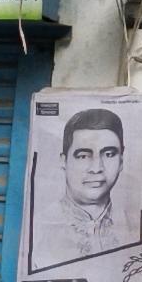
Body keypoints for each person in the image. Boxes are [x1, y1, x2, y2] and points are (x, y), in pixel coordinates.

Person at [35, 106, 131, 268]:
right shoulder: (39, 228)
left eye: (109, 154)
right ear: (63, 161)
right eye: (83, 156)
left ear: (121, 161)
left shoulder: (133, 226)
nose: (96, 168)